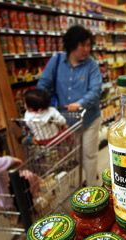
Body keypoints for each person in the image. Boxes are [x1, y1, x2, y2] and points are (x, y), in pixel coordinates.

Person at [37, 25, 102, 186]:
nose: (87, 49)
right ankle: (88, 175)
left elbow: (95, 90)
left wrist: (79, 104)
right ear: (72, 44)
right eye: (83, 45)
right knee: (75, 155)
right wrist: (39, 104)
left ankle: (92, 187)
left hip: (89, 119)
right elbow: (43, 84)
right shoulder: (57, 60)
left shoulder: (91, 65)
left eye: (89, 45)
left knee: (89, 154)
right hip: (66, 121)